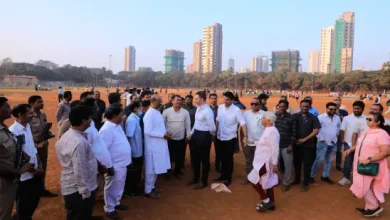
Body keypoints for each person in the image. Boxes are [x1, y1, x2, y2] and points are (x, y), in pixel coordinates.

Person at [56, 105, 99, 220]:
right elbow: (79, 169)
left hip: (72, 186)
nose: (91, 120)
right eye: (89, 118)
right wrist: (84, 192)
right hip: (78, 191)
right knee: (79, 215)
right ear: (84, 121)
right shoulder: (79, 142)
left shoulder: (66, 136)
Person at [345, 113, 390, 217]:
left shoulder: (382, 134)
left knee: (363, 186)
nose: (367, 121)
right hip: (362, 163)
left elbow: (386, 152)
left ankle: (373, 207)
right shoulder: (368, 132)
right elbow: (360, 144)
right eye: (367, 119)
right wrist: (351, 149)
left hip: (371, 165)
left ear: (378, 122)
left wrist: (369, 160)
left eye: (370, 119)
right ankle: (368, 207)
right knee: (367, 186)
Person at [9, 104, 45, 220]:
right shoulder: (13, 131)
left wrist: (39, 163)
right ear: (20, 115)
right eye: (29, 113)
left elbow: (31, 148)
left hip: (35, 173)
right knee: (24, 205)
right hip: (24, 177)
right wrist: (29, 168)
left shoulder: (27, 126)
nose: (33, 114)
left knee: (34, 200)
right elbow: (14, 156)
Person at [99, 104, 131, 219]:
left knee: (119, 185)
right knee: (111, 186)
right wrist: (108, 166)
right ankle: (109, 209)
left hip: (122, 163)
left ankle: (116, 202)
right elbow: (102, 151)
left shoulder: (117, 125)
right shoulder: (106, 129)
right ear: (115, 115)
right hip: (114, 165)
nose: (123, 116)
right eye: (122, 114)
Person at [247, 112, 280, 213]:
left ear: (269, 121)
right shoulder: (268, 130)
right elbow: (265, 143)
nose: (261, 120)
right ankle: (272, 203)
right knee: (268, 182)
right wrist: (253, 142)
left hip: (265, 161)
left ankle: (266, 200)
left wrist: (274, 163)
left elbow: (275, 148)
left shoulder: (272, 132)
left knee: (253, 180)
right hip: (262, 160)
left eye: (263, 119)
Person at [214, 91, 247, 186]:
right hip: (220, 136)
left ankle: (228, 177)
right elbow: (218, 120)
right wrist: (214, 133)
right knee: (221, 157)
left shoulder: (237, 110)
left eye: (227, 100)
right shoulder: (220, 107)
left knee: (228, 158)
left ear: (232, 100)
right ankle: (223, 175)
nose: (225, 101)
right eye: (224, 99)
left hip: (230, 138)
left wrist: (246, 136)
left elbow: (243, 123)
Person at [28, 95, 57, 197]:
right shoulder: (29, 117)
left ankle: (41, 189)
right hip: (32, 147)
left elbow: (44, 128)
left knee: (43, 167)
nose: (42, 103)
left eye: (42, 101)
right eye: (39, 102)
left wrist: (48, 133)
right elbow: (25, 133)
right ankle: (32, 191)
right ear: (31, 103)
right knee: (33, 168)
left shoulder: (42, 115)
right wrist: (34, 142)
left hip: (43, 146)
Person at [143, 95, 171, 198]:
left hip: (158, 145)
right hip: (152, 147)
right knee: (150, 170)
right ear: (153, 101)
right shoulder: (149, 114)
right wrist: (162, 135)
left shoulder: (157, 112)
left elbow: (158, 128)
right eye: (159, 101)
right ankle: (148, 190)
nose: (161, 103)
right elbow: (148, 131)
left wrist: (165, 132)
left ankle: (152, 187)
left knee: (156, 169)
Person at [188, 91, 216, 190]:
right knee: (195, 158)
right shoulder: (198, 108)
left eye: (196, 99)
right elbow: (196, 123)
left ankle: (203, 182)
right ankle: (195, 178)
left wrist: (211, 136)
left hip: (204, 136)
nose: (194, 100)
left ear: (202, 99)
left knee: (204, 160)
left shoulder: (207, 111)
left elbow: (212, 127)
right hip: (196, 135)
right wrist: (191, 133)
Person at [293, 99, 321, 192]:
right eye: (303, 106)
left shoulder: (313, 117)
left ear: (309, 107)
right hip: (296, 144)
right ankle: (296, 179)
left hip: (308, 145)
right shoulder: (294, 116)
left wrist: (304, 139)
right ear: (300, 106)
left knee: (307, 164)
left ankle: (305, 182)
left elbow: (316, 130)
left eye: (306, 106)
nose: (305, 108)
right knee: (296, 163)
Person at [310, 102, 341, 184]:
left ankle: (325, 176)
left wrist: (336, 135)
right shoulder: (320, 118)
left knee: (329, 160)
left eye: (334, 109)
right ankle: (312, 175)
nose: (333, 110)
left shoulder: (337, 118)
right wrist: (321, 138)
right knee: (319, 160)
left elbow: (338, 127)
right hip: (322, 142)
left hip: (333, 142)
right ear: (326, 108)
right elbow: (315, 129)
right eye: (331, 109)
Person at [338, 101, 366, 186]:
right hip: (348, 144)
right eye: (355, 108)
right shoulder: (347, 118)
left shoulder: (367, 119)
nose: (356, 110)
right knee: (348, 161)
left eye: (358, 108)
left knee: (360, 162)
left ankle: (359, 180)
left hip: (362, 145)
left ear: (362, 109)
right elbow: (342, 130)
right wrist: (342, 140)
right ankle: (346, 178)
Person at [162, 95, 191, 179]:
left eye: (180, 101)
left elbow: (188, 125)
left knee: (180, 156)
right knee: (169, 156)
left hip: (181, 138)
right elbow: (162, 125)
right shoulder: (166, 111)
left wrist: (188, 135)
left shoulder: (185, 112)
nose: (178, 102)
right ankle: (167, 172)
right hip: (169, 139)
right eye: (177, 100)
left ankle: (177, 171)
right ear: (172, 101)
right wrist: (164, 134)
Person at [242, 97, 265, 184]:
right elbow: (243, 127)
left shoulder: (265, 114)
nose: (254, 105)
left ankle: (260, 178)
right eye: (252, 104)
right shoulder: (246, 114)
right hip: (248, 142)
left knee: (260, 162)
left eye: (256, 104)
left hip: (260, 143)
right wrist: (244, 139)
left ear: (260, 105)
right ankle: (249, 177)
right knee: (248, 161)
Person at [274, 100, 296, 191]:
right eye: (280, 106)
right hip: (275, 145)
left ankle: (286, 182)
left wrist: (291, 145)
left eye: (283, 106)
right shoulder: (274, 117)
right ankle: (277, 179)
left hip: (286, 145)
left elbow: (294, 133)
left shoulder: (291, 118)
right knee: (276, 164)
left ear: (287, 107)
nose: (281, 108)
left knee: (288, 165)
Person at [124, 102, 143, 197]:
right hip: (134, 151)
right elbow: (129, 136)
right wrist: (129, 152)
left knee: (137, 170)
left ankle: (134, 188)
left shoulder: (135, 118)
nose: (142, 109)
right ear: (135, 109)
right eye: (140, 107)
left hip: (137, 149)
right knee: (133, 172)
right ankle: (131, 190)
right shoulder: (132, 120)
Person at [209, 94, 221, 172]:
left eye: (215, 98)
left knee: (218, 150)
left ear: (217, 99)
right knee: (206, 149)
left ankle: (217, 165)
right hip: (207, 132)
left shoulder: (220, 109)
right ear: (209, 99)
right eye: (212, 98)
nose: (213, 100)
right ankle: (206, 164)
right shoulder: (206, 109)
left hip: (218, 132)